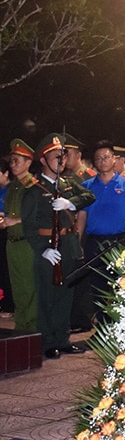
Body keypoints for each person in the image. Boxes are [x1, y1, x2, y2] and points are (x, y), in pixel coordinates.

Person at [21, 134, 95, 359]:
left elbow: (89, 196)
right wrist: (42, 248)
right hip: (48, 249)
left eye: (63, 156)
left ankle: (62, 339)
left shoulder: (68, 184)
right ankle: (47, 341)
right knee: (47, 296)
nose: (61, 161)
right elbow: (28, 224)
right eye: (55, 157)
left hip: (68, 245)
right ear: (43, 160)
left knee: (66, 295)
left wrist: (70, 202)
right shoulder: (34, 190)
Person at [77, 140, 125, 326]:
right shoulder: (87, 185)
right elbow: (81, 216)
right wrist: (77, 243)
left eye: (106, 157)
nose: (102, 161)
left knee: (121, 285)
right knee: (97, 286)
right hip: (95, 242)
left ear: (114, 159)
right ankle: (103, 327)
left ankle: (122, 328)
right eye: (98, 159)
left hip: (120, 242)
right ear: (94, 162)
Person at [3, 139, 39, 331]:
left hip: (27, 243)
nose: (13, 165)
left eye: (17, 160)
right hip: (12, 242)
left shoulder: (33, 186)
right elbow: (10, 212)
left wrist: (15, 221)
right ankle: (21, 325)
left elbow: (39, 217)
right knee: (17, 286)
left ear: (28, 162)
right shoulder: (14, 187)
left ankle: (31, 328)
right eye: (11, 161)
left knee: (29, 287)